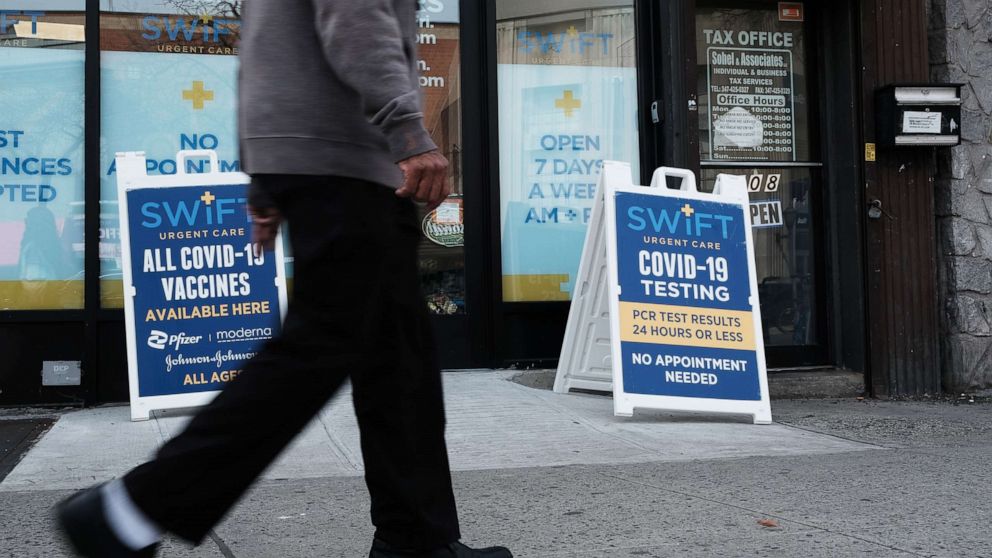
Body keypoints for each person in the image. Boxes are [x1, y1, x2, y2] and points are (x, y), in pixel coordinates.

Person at [55, 1, 512, 557]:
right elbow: (356, 14)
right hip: (346, 161)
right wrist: (408, 128)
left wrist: (267, 175)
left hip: (322, 156)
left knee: (399, 364)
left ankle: (415, 539)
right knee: (320, 345)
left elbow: (267, 44)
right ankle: (133, 507)